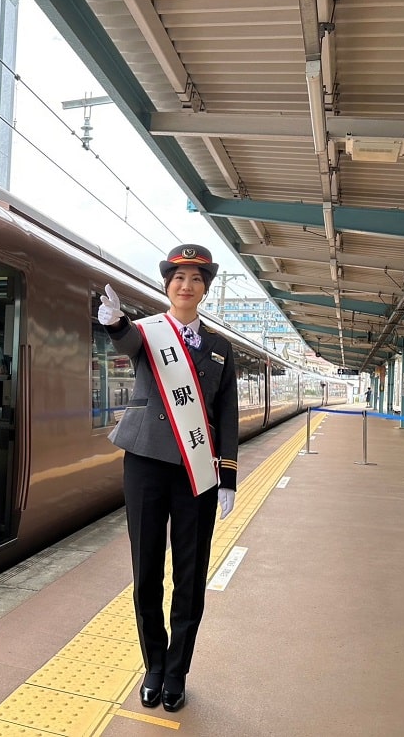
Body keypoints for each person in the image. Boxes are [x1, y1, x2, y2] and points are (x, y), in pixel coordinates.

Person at [97, 244, 238, 713]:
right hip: (144, 461)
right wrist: (114, 321)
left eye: (196, 278)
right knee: (147, 572)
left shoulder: (220, 348)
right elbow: (126, 342)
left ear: (205, 290)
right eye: (179, 277)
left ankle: (177, 672)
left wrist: (230, 475)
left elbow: (227, 414)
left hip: (196, 470)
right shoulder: (149, 332)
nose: (186, 285)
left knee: (191, 574)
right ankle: (153, 665)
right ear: (167, 285)